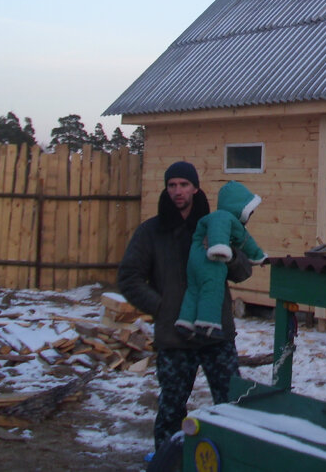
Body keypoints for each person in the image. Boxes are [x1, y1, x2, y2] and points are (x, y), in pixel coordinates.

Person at [117, 161, 257, 453]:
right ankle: (166, 462)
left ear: (195, 188)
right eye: (172, 185)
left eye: (183, 185)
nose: (177, 191)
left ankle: (232, 461)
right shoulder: (151, 232)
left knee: (232, 405)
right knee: (171, 409)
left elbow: (243, 271)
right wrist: (164, 307)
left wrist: (226, 253)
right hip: (174, 337)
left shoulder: (215, 223)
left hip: (216, 334)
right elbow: (129, 279)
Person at [176, 180, 265, 340]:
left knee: (194, 290)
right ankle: (207, 324)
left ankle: (185, 322)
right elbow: (222, 232)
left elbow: (245, 241)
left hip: (194, 260)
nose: (251, 215)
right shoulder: (223, 216)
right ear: (238, 207)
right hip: (211, 260)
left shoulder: (226, 221)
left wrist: (258, 257)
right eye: (249, 210)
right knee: (212, 289)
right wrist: (220, 248)